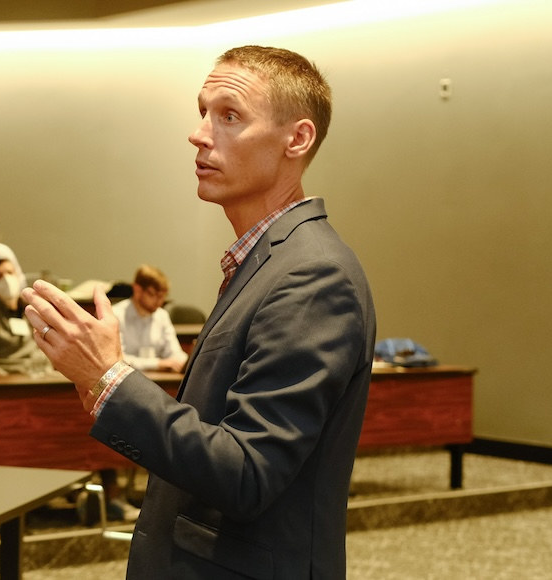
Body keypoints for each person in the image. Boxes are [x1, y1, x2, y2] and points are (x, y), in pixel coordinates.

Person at [22, 46, 376, 578]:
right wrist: (98, 382)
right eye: (202, 111)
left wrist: (109, 377)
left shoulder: (312, 275)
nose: (200, 133)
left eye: (229, 116)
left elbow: (247, 472)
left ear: (296, 139)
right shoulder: (267, 259)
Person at [0, 259, 50, 376]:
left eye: (10, 273)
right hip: (9, 379)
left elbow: (46, 348)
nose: (6, 279)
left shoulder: (32, 310)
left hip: (41, 374)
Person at [112, 264, 188, 373]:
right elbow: (118, 360)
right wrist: (158, 364)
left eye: (162, 296)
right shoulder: (116, 315)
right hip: (125, 382)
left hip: (158, 382)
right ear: (137, 290)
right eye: (153, 295)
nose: (159, 301)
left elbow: (174, 352)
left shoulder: (162, 315)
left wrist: (185, 362)